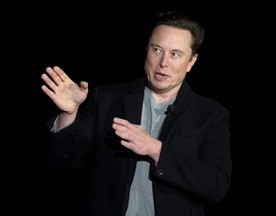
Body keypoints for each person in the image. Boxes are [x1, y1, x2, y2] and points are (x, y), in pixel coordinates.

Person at [41, 10, 232, 216]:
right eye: (157, 50)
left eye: (175, 54)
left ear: (191, 62)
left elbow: (216, 185)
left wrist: (155, 149)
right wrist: (69, 115)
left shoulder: (210, 114)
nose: (164, 62)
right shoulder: (107, 98)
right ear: (147, 50)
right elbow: (61, 165)